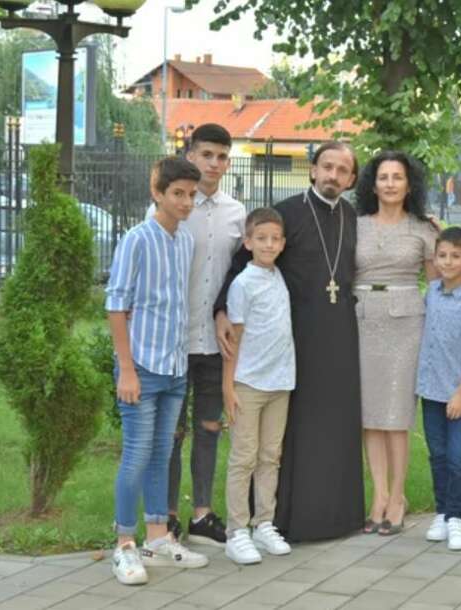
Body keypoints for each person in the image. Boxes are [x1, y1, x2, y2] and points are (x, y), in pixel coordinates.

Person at [214, 141, 363, 541]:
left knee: (332, 428)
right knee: (285, 438)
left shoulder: (352, 216)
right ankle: (279, 520)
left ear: (351, 179)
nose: (333, 175)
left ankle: (337, 516)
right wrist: (221, 309)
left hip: (340, 338)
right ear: (313, 169)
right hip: (292, 340)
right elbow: (244, 263)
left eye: (342, 170)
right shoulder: (287, 214)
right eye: (327, 166)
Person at [106, 157, 208, 585]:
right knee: (136, 455)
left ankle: (157, 539)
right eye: (177, 194)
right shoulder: (137, 239)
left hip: (174, 368)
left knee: (162, 454)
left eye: (191, 195)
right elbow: (116, 305)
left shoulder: (185, 241)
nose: (185, 202)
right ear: (157, 193)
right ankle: (124, 545)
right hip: (142, 368)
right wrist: (126, 370)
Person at [146, 124, 245, 547]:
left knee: (209, 425)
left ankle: (202, 515)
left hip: (214, 340)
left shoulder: (236, 213)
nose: (214, 164)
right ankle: (167, 515)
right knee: (170, 431)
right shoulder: (164, 211)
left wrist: (224, 312)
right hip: (172, 339)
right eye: (207, 154)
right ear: (190, 155)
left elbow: (238, 272)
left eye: (222, 157)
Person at [354, 151, 439, 535]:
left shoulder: (424, 228)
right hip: (361, 321)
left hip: (406, 325)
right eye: (383, 177)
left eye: (397, 177)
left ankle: (398, 497)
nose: (390, 184)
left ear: (409, 185)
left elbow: (437, 286)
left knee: (396, 416)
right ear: (373, 185)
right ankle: (379, 495)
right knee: (370, 416)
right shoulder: (355, 226)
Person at [222, 207, 295, 565]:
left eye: (275, 239)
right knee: (244, 457)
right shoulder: (243, 284)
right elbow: (233, 339)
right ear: (248, 242)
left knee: (270, 456)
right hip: (248, 383)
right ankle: (237, 531)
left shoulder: (279, 275)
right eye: (261, 238)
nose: (269, 245)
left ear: (283, 243)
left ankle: (264, 523)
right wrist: (228, 386)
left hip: (280, 382)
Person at [417, 227, 461, 551]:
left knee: (459, 457)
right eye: (442, 255)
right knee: (438, 455)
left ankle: (457, 518)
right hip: (431, 390)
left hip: (460, 393)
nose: (447, 262)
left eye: (455, 256)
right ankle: (442, 513)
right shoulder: (431, 292)